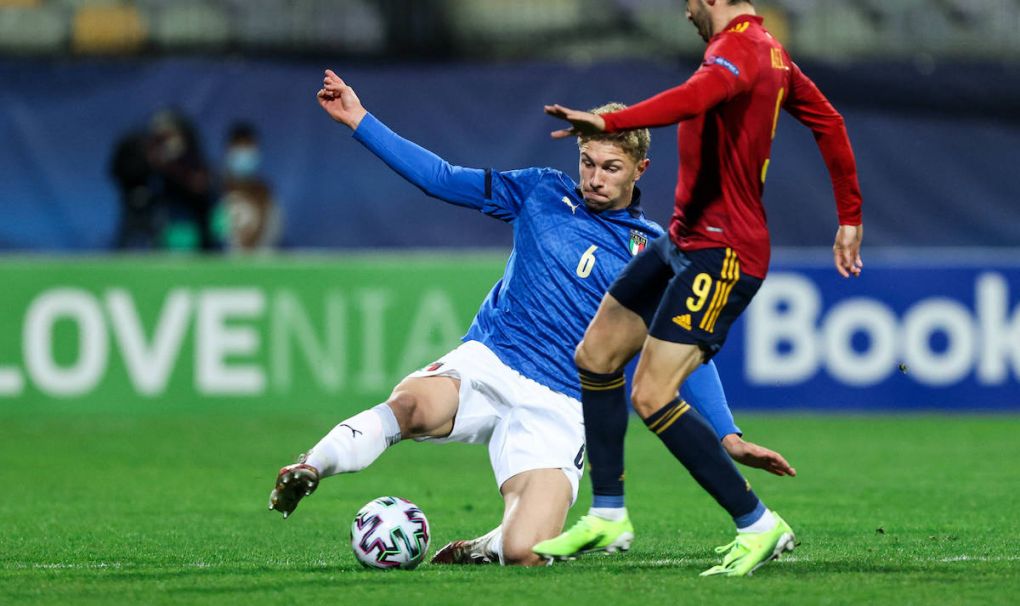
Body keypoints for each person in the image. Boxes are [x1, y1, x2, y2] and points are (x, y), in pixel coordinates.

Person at [268, 69, 795, 567]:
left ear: (641, 169)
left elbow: (683, 351)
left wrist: (726, 434)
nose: (593, 178)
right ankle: (311, 465)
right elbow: (442, 179)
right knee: (411, 406)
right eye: (587, 162)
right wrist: (361, 120)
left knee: (528, 552)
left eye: (610, 168)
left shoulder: (656, 249)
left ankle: (488, 545)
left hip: (563, 404)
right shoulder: (541, 190)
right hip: (489, 360)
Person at [533, 0, 863, 577]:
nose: (684, 8)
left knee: (652, 393)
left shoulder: (740, 50)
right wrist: (850, 214)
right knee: (597, 355)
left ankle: (757, 523)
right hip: (685, 240)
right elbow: (829, 122)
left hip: (725, 250)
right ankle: (608, 512)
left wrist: (609, 121)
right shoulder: (770, 52)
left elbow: (692, 99)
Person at [214, 122, 283, 252]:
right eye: (239, 148)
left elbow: (273, 232)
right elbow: (214, 232)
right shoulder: (215, 189)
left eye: (248, 148)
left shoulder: (263, 192)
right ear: (229, 150)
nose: (243, 154)